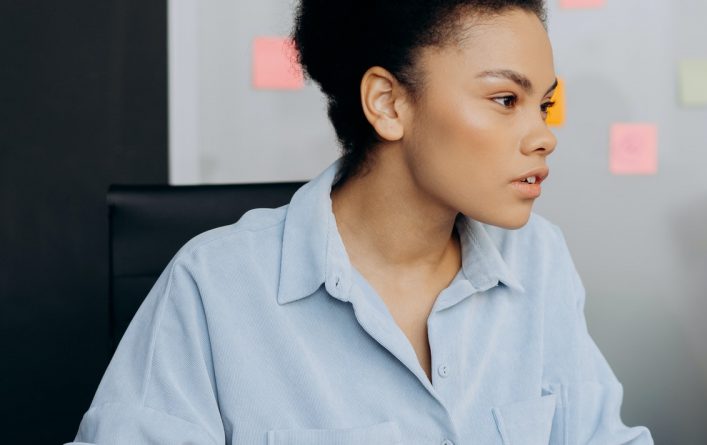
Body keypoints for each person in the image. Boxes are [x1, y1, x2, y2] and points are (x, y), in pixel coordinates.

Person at [67, 1, 653, 444]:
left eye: (543, 104)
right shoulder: (214, 285)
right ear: (388, 103)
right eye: (505, 100)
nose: (545, 135)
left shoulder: (539, 259)